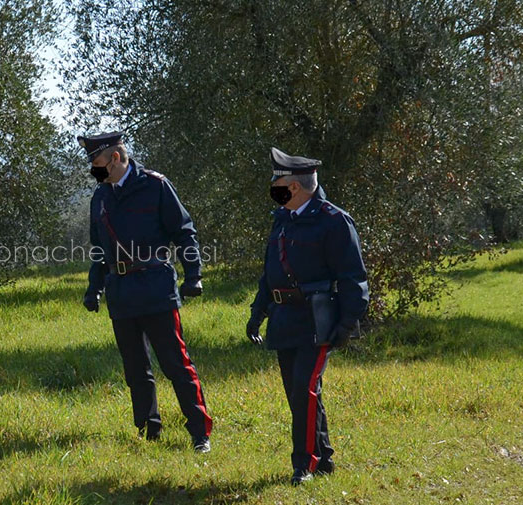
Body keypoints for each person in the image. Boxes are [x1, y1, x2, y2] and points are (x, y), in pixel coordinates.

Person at [78, 131, 213, 453]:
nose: (92, 170)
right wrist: (93, 288)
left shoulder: (155, 186)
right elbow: (99, 249)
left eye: (96, 162)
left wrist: (194, 275)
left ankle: (200, 433)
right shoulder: (101, 196)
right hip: (120, 291)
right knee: (135, 368)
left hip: (155, 287)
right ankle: (148, 429)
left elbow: (184, 232)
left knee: (176, 364)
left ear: (114, 158)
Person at [246, 147, 369, 485]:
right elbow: (270, 272)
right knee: (299, 393)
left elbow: (352, 277)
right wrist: (259, 311)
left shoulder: (333, 220)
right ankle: (324, 457)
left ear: (296, 187)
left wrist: (347, 323)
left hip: (318, 320)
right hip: (285, 318)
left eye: (277, 181)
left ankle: (305, 464)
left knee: (304, 390)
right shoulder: (282, 219)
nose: (273, 188)